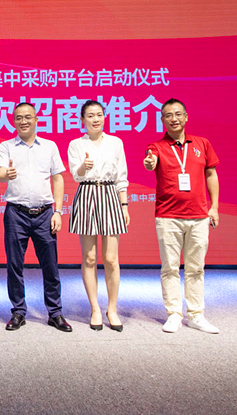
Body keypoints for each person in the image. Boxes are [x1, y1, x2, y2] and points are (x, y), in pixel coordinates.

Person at [144, 98, 221, 334]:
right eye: (168, 115)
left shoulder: (202, 144)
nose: (174, 119)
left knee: (196, 268)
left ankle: (196, 315)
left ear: (186, 117)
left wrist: (214, 207)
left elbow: (211, 174)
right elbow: (149, 162)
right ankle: (174, 315)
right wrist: (149, 163)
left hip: (198, 216)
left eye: (178, 114)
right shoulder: (156, 147)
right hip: (168, 216)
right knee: (170, 268)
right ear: (162, 120)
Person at [0, 102, 71, 332]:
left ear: (36, 119)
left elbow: (58, 178)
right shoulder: (6, 146)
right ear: (13, 121)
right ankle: (18, 311)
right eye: (19, 117)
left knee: (50, 266)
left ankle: (55, 313)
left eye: (28, 117)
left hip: (45, 213)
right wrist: (6, 174)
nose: (23, 121)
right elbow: (0, 174)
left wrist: (58, 211)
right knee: (14, 266)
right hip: (16, 213)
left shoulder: (49, 146)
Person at [67, 100, 129, 332]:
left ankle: (112, 309)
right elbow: (76, 175)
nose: (96, 119)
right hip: (87, 194)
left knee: (111, 258)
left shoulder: (116, 142)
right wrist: (84, 166)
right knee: (90, 257)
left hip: (110, 194)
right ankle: (95, 308)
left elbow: (121, 176)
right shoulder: (76, 144)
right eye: (91, 115)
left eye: (99, 114)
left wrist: (124, 205)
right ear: (82, 119)